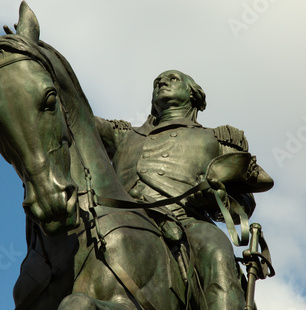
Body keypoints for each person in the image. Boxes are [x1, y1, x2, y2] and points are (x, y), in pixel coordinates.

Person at [95, 70, 273, 309]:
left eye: (172, 78)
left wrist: (216, 199)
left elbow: (245, 199)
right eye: (157, 81)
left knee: (217, 254)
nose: (162, 82)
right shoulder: (124, 136)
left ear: (193, 93)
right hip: (124, 220)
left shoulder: (216, 139)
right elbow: (76, 116)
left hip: (186, 222)